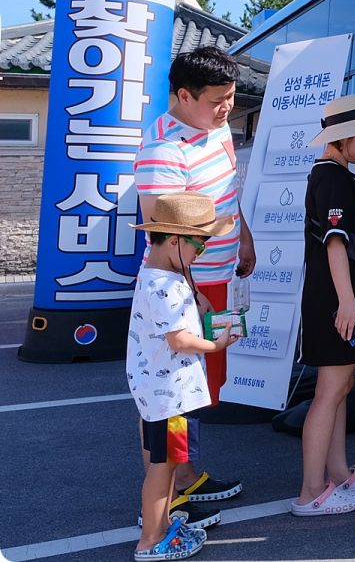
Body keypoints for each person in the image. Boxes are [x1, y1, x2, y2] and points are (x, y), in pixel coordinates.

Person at [134, 46, 253, 510]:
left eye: (231, 97)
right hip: (186, 289)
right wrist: (194, 292)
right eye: (217, 100)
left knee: (194, 391)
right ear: (184, 95)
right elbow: (164, 235)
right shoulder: (162, 150)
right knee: (171, 395)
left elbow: (227, 192)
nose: (227, 108)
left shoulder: (216, 128)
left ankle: (182, 477)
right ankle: (168, 495)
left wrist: (243, 236)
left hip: (216, 278)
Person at [292, 95, 355, 516]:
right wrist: (348, 301)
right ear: (342, 137)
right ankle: (311, 491)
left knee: (340, 389)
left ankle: (336, 473)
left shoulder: (336, 175)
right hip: (336, 303)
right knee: (330, 391)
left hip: (340, 300)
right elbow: (335, 242)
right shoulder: (331, 178)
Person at [127, 192, 240, 560]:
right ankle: (150, 540)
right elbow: (179, 340)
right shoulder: (166, 286)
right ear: (175, 240)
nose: (201, 252)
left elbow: (188, 306)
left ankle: (159, 528)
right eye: (199, 244)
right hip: (170, 396)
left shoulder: (160, 274)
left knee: (166, 463)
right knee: (164, 467)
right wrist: (216, 345)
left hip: (161, 392)